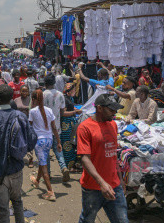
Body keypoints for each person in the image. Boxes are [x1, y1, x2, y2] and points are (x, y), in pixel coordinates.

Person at [0, 85, 37, 223]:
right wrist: (22, 151)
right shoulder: (21, 116)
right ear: (12, 98)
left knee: (3, 210)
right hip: (16, 169)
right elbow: (32, 139)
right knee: (17, 203)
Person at [77, 94, 128, 223]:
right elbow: (84, 158)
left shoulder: (113, 125)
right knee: (87, 219)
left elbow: (113, 154)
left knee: (122, 220)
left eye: (115, 110)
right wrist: (102, 183)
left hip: (114, 185)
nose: (114, 113)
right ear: (99, 108)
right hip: (92, 188)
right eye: (111, 110)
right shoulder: (84, 127)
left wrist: (121, 179)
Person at [29, 89, 61, 201]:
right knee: (43, 163)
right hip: (49, 140)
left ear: (33, 99)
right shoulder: (49, 110)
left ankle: (50, 192)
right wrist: (59, 142)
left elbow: (30, 128)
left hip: (39, 142)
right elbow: (54, 127)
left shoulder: (32, 111)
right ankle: (37, 180)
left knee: (44, 167)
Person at [43, 74, 70, 182]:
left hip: (45, 129)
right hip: (57, 127)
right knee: (58, 149)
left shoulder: (42, 95)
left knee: (46, 153)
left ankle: (48, 174)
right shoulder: (60, 95)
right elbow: (62, 112)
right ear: (54, 83)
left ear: (45, 83)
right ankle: (63, 167)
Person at [62, 83, 82, 170]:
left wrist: (75, 110)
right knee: (67, 144)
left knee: (72, 143)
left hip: (71, 122)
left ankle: (72, 164)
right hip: (66, 124)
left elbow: (71, 108)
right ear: (68, 91)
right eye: (73, 90)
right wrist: (74, 112)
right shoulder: (64, 99)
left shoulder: (70, 98)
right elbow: (63, 113)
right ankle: (67, 165)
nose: (74, 91)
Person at [15, 85, 33, 167]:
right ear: (20, 91)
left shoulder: (31, 101)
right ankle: (19, 158)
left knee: (29, 140)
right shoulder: (16, 100)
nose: (24, 92)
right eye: (23, 91)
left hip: (29, 123)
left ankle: (30, 159)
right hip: (18, 123)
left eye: (26, 91)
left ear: (28, 92)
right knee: (19, 140)